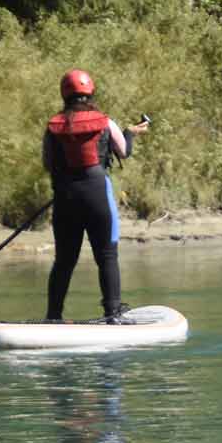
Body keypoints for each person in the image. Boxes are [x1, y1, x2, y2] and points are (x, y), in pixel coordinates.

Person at [43, 69, 140, 322]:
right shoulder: (105, 122)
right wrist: (130, 132)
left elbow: (48, 163)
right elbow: (124, 151)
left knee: (64, 260)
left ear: (64, 94)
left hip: (65, 196)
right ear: (90, 93)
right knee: (107, 256)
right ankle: (113, 312)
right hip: (97, 193)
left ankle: (53, 316)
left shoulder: (53, 126)